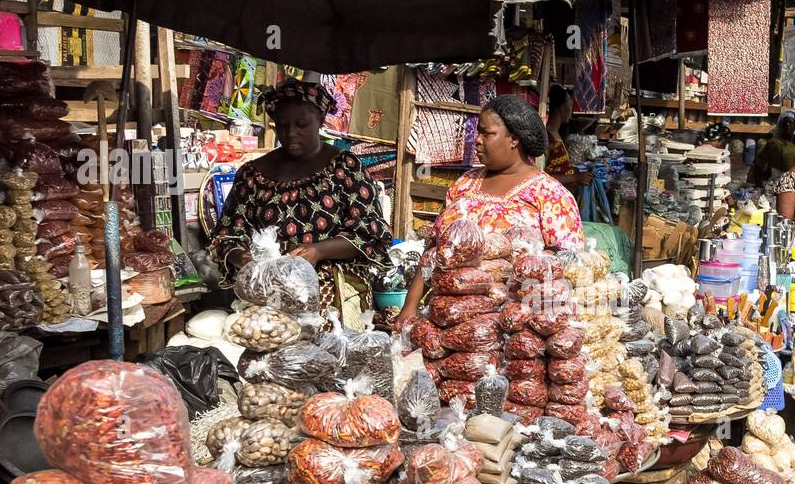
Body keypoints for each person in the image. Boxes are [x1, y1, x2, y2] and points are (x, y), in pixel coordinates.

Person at [395, 95, 583, 326]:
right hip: (449, 314)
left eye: (487, 133)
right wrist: (410, 306)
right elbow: (434, 248)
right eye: (478, 132)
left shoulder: (550, 193)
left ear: (514, 139)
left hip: (515, 323)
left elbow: (569, 265)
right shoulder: (464, 184)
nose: (477, 140)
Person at [208, 78, 392, 313]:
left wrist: (318, 251)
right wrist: (241, 258)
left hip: (333, 294)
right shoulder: (253, 175)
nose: (291, 132)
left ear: (320, 121)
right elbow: (226, 235)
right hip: (269, 293)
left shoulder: (344, 167)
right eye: (283, 125)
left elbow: (370, 232)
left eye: (301, 124)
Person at [543, 85, 591, 191]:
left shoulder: (556, 134)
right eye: (570, 106)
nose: (571, 111)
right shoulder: (547, 137)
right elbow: (542, 175)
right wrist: (575, 177)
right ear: (561, 108)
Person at [749, 111, 795, 189]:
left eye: (790, 122)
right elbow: (759, 163)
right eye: (785, 122)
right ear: (781, 125)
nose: (788, 125)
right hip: (775, 183)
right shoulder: (773, 143)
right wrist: (759, 185)